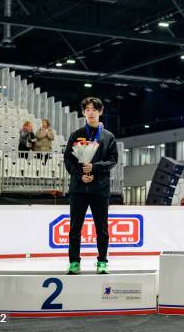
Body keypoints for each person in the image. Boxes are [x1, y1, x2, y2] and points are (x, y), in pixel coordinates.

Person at [64, 97, 118, 275]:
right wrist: (80, 174)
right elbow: (68, 160)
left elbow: (113, 160)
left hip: (100, 189)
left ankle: (102, 261)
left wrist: (94, 168)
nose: (91, 112)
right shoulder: (76, 134)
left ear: (100, 112)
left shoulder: (108, 136)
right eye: (87, 109)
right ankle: (74, 262)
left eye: (94, 109)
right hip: (79, 188)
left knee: (101, 228)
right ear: (83, 112)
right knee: (75, 228)